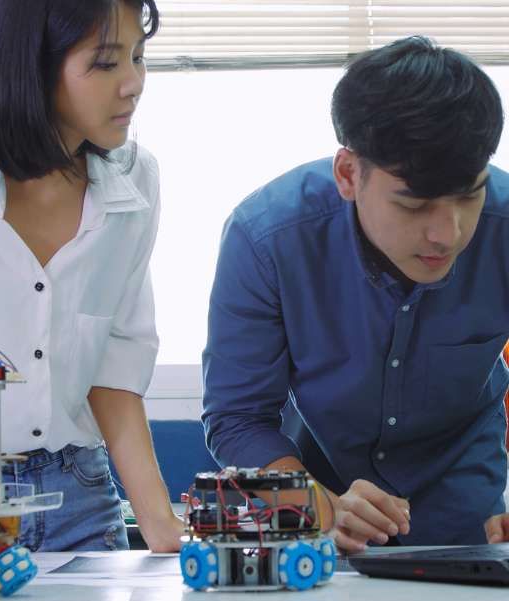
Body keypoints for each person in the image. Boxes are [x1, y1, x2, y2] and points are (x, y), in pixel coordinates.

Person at [202, 36, 509, 553]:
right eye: (415, 205)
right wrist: (315, 507)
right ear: (349, 173)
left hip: (468, 522)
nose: (448, 232)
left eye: (468, 196)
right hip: (319, 515)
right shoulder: (266, 238)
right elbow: (236, 418)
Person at [0, 0, 184, 553]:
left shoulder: (137, 182)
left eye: (138, 56)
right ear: (32, 64)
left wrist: (162, 527)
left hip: (79, 497)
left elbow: (114, 372)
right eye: (105, 63)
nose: (133, 83)